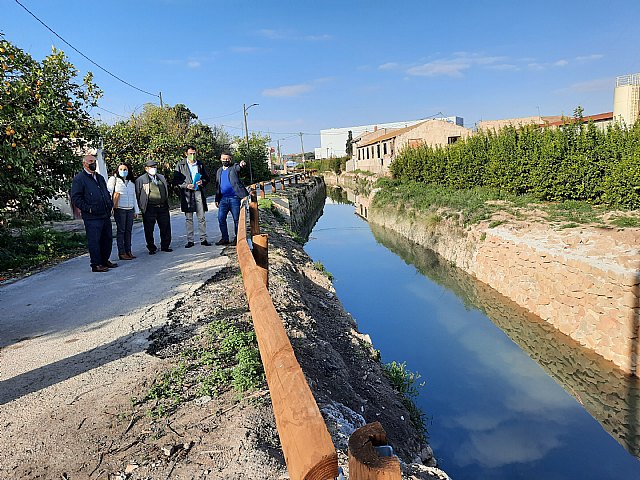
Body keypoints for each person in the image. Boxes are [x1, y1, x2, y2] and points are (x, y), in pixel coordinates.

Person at [70, 154, 118, 272]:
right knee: (95, 240)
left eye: (94, 161)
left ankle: (104, 260)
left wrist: (109, 204)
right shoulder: (79, 179)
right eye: (91, 161)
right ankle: (96, 264)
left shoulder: (100, 177)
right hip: (92, 216)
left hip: (104, 213)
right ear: (84, 163)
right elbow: (76, 197)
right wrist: (88, 208)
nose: (93, 163)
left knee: (107, 239)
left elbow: (105, 192)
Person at [173, 145, 212, 248]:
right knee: (189, 218)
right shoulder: (180, 165)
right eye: (190, 154)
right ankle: (190, 240)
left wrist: (202, 182)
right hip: (187, 193)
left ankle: (203, 239)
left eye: (194, 153)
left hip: (198, 192)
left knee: (201, 217)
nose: (192, 155)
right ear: (186, 154)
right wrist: (186, 185)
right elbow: (176, 181)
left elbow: (207, 178)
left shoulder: (200, 164)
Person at [135, 159, 173, 254]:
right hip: (149, 207)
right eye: (151, 167)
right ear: (146, 169)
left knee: (165, 226)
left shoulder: (161, 177)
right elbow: (138, 193)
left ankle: (165, 245)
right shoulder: (141, 180)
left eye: (155, 167)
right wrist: (141, 207)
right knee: (149, 228)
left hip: (163, 206)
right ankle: (151, 247)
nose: (153, 169)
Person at [107, 163, 139, 260]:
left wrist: (136, 210)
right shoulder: (114, 180)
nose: (123, 171)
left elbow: (134, 197)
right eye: (121, 169)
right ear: (117, 170)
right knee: (121, 231)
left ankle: (128, 251)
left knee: (128, 231)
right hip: (120, 209)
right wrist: (110, 207)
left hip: (130, 209)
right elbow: (109, 192)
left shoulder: (131, 182)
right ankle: (122, 252)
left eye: (125, 169)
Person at [214, 152, 247, 245]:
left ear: (230, 160)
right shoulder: (219, 171)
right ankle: (225, 238)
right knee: (221, 218)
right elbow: (217, 186)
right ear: (220, 159)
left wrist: (241, 165)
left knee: (236, 219)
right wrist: (217, 199)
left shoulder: (234, 168)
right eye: (223, 159)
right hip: (223, 199)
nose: (225, 160)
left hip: (235, 198)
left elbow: (239, 167)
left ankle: (238, 239)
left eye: (227, 159)